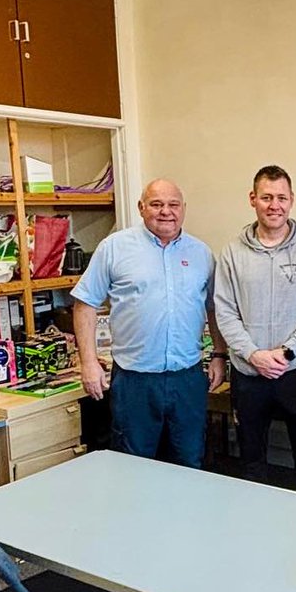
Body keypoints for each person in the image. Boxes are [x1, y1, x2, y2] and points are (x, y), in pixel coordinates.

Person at [71, 178, 226, 467]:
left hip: (187, 378)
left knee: (190, 462)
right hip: (135, 381)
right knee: (134, 465)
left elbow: (214, 308)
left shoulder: (201, 253)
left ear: (183, 209)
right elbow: (85, 305)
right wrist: (88, 363)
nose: (166, 211)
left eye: (173, 204)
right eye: (156, 204)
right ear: (141, 208)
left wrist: (219, 354)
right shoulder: (114, 248)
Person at [213, 165, 296, 489]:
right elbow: (225, 311)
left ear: (292, 200)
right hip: (249, 374)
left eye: (281, 198)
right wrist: (253, 355)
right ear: (252, 199)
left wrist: (287, 352)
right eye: (266, 197)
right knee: (251, 462)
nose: (274, 205)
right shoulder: (232, 253)